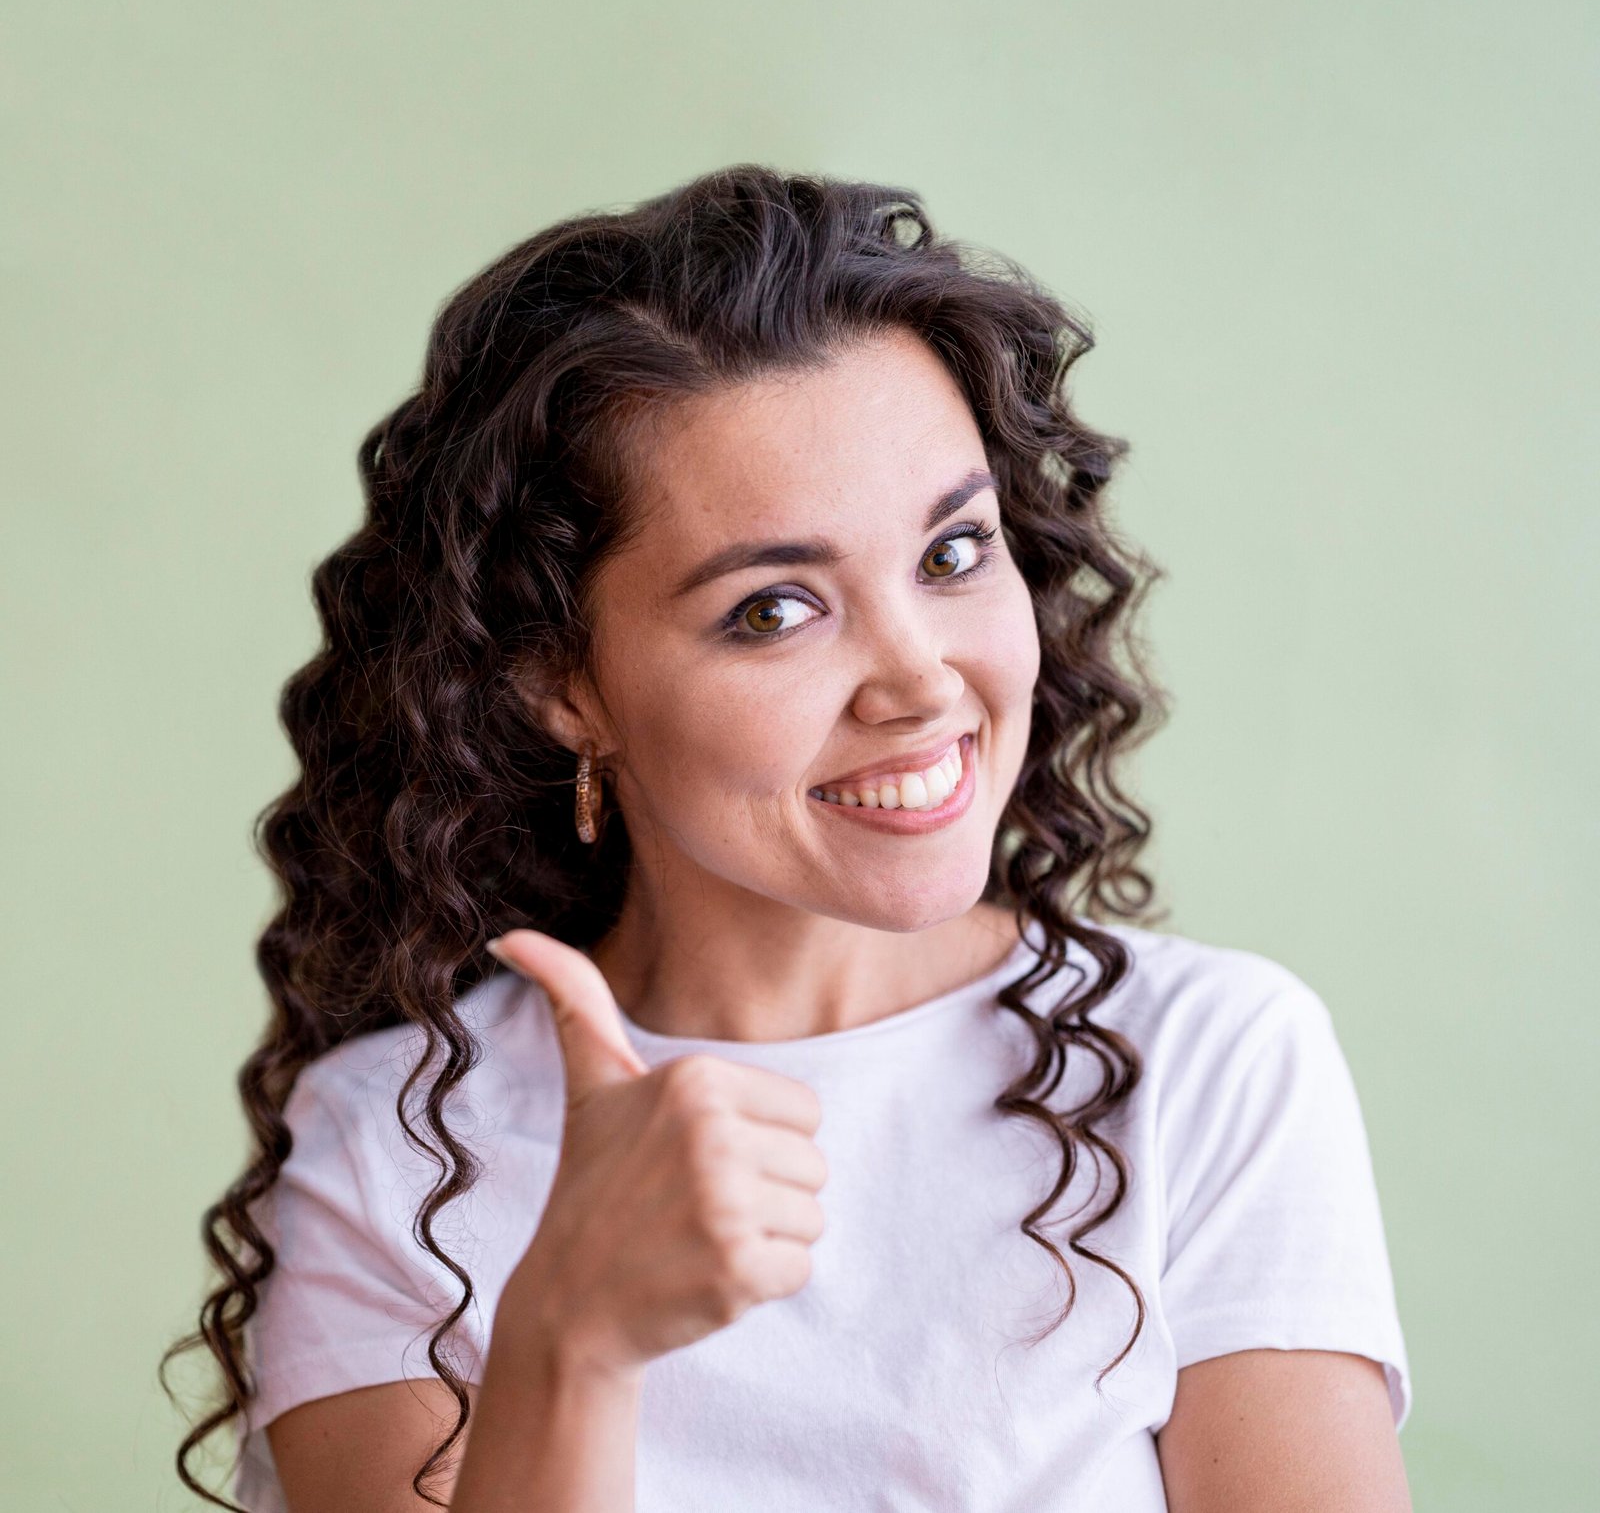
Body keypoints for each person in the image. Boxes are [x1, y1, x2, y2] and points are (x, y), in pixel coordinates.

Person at [162, 165, 1413, 1512]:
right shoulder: (391, 1147)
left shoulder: (1203, 1067)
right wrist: (567, 1339)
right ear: (562, 686)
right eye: (774, 609)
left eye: (951, 555)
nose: (922, 682)